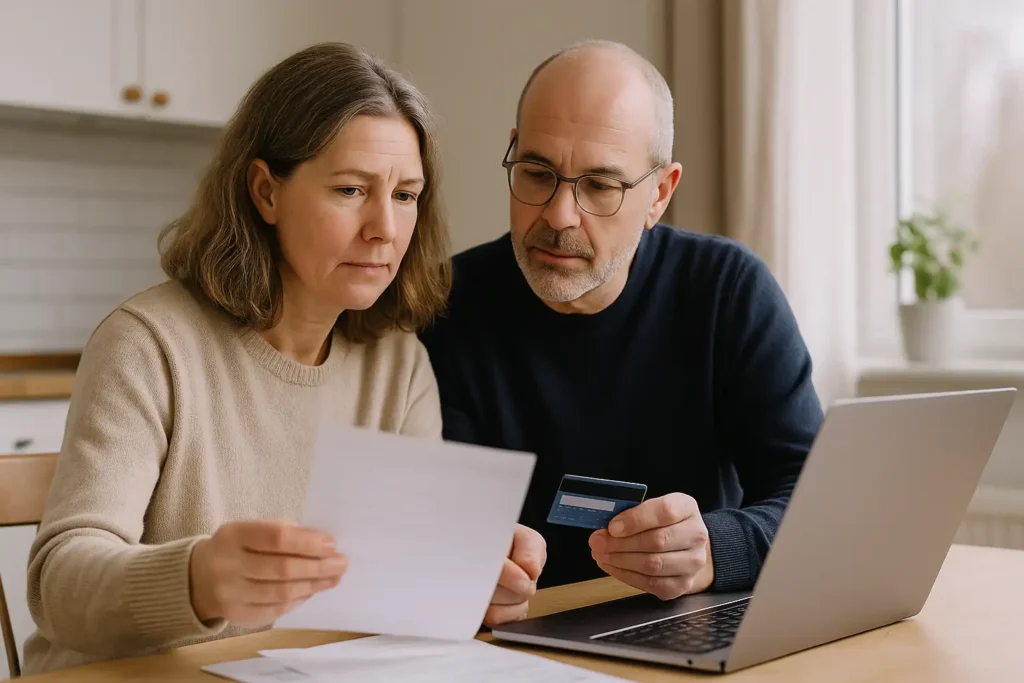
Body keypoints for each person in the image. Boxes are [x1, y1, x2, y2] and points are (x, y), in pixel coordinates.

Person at [23, 43, 541, 675]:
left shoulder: (398, 368)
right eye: (351, 189)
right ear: (266, 192)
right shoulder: (148, 344)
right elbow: (59, 585)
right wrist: (198, 578)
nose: (384, 227)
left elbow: (393, 595)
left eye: (406, 195)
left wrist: (463, 586)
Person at [419, 40, 824, 600]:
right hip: (516, 645)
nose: (560, 216)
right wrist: (464, 568)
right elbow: (429, 520)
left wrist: (715, 548)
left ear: (660, 193)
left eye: (601, 186)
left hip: (685, 625)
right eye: (537, 174)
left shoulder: (727, 291)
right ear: (512, 153)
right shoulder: (444, 306)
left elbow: (817, 498)